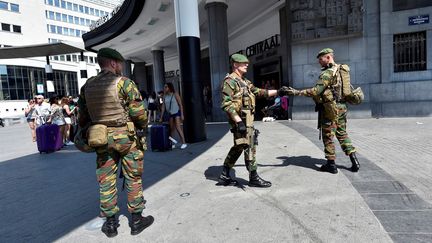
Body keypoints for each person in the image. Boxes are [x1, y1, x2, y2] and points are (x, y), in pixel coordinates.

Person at [77, 48, 154, 238]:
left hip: (101, 138)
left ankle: (110, 224)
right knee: (133, 177)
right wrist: (143, 125)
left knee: (106, 180)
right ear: (113, 63)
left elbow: (82, 117)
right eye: (119, 63)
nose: (120, 67)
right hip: (126, 139)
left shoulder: (87, 85)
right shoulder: (124, 83)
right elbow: (139, 114)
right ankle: (136, 220)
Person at [279, 48, 360, 174]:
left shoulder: (327, 73)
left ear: (328, 57)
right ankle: (354, 161)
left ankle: (331, 165)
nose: (319, 62)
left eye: (321, 59)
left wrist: (295, 92)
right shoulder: (341, 70)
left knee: (328, 136)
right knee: (342, 134)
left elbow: (316, 91)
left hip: (330, 109)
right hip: (342, 107)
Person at [218, 53, 279, 187]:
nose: (247, 65)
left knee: (240, 146)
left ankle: (224, 174)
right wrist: (238, 122)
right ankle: (253, 177)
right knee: (249, 147)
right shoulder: (229, 82)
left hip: (248, 121)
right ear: (235, 65)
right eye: (243, 63)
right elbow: (226, 104)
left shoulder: (245, 81)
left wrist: (278, 91)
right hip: (240, 121)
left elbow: (258, 91)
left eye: (247, 63)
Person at [159, 82, 187, 149]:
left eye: (166, 87)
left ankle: (184, 143)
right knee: (171, 129)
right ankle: (173, 143)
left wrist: (182, 115)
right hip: (170, 114)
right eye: (164, 87)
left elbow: (180, 105)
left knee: (178, 127)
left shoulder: (175, 94)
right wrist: (161, 117)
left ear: (169, 87)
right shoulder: (164, 96)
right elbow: (163, 107)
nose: (165, 88)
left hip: (176, 113)